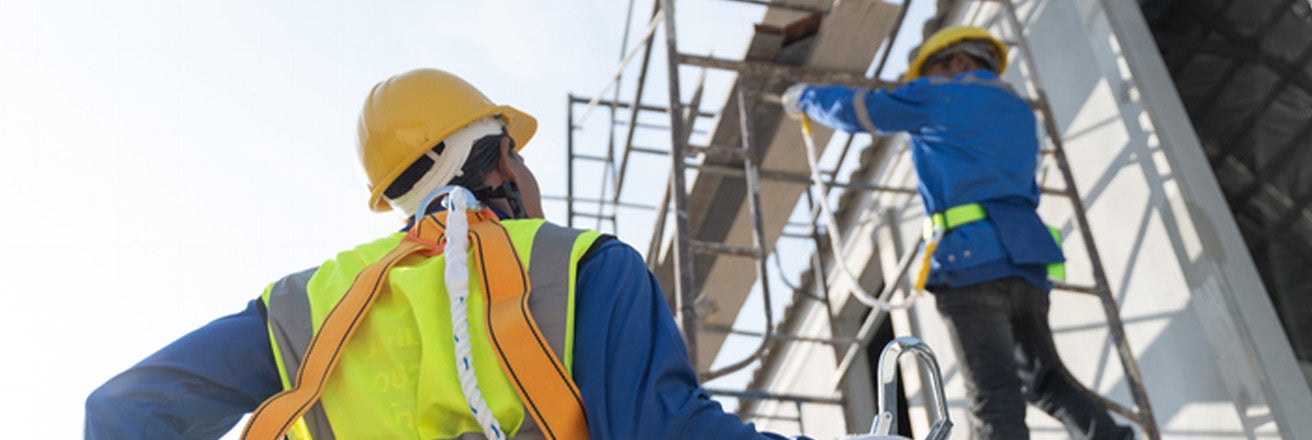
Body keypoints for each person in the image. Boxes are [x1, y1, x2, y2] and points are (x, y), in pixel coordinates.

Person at [85, 68, 806, 440]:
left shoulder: (305, 309)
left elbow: (122, 412)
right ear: (497, 166)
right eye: (518, 156)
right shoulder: (585, 269)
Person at [782, 26, 1135, 440]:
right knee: (1047, 382)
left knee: (994, 395)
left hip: (971, 261)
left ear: (960, 61)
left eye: (927, 72)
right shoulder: (1019, 110)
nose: (920, 84)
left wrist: (804, 97)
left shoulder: (940, 95)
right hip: (1027, 261)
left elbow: (861, 111)